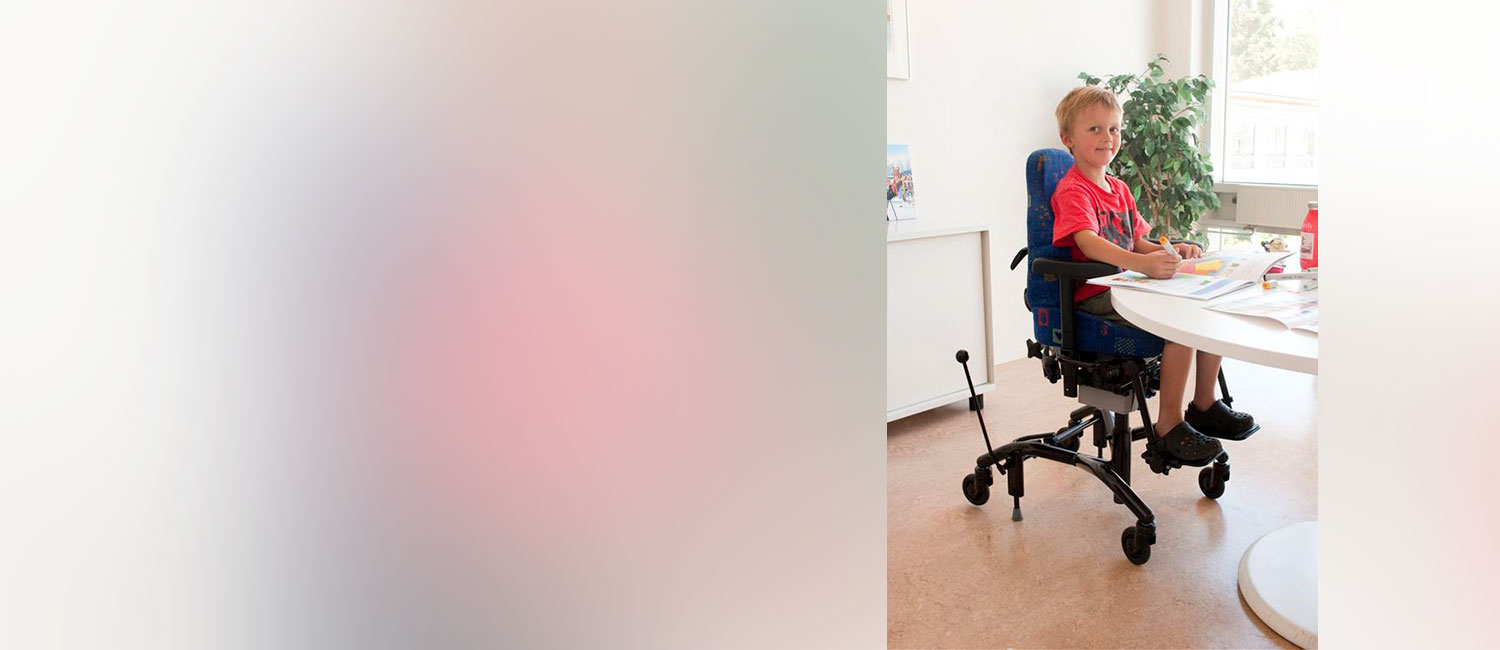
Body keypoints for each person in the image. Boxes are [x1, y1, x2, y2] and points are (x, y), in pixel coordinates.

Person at [1049, 85, 1256, 464]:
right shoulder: (1073, 190)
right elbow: (1088, 242)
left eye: (1113, 129)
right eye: (1095, 129)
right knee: (1180, 325)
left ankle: (1204, 405)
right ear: (1068, 139)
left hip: (1126, 285)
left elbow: (1137, 240)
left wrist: (1169, 250)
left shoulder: (1119, 188)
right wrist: (1139, 263)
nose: (1107, 137)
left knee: (1208, 307)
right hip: (1095, 293)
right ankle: (1168, 425)